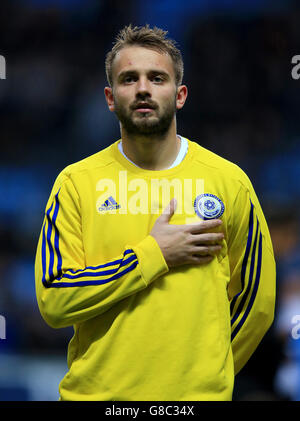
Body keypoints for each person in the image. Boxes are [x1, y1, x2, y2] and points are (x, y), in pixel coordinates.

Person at [34, 24, 276, 401]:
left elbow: (256, 305)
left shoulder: (228, 182)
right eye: (129, 79)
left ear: (179, 95)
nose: (143, 88)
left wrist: (204, 375)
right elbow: (54, 298)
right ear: (110, 98)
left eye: (156, 78)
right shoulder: (76, 183)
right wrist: (154, 254)